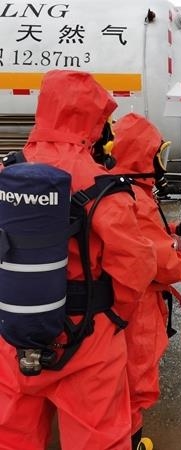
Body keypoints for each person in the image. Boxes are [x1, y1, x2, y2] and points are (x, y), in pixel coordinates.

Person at [0, 70, 157, 449]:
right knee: (97, 439)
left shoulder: (7, 172)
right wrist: (113, 317)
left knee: (12, 436)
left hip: (12, 333)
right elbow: (136, 268)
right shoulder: (102, 185)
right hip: (87, 336)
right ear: (93, 120)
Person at [110, 113, 181, 449]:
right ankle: (131, 442)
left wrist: (175, 229)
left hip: (116, 306)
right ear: (144, 155)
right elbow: (163, 264)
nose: (162, 163)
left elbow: (144, 237)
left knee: (118, 385)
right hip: (136, 310)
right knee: (133, 387)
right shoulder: (135, 196)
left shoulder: (118, 188)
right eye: (159, 154)